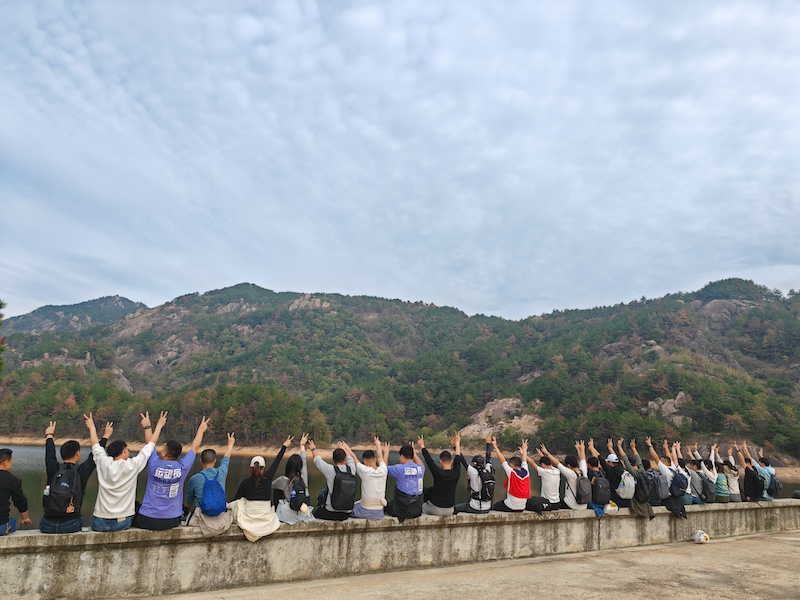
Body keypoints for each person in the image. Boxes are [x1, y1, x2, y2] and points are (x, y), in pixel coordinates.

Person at [87, 410, 166, 532]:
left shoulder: (103, 462)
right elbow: (150, 444)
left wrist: (92, 427)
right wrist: (157, 425)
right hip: (122, 521)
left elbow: (95, 445)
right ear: (124, 450)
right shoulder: (132, 465)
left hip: (99, 521)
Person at [135, 415, 209, 530]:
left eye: (163, 449)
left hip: (148, 519)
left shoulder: (154, 463)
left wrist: (148, 427)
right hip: (172, 520)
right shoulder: (182, 467)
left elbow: (150, 444)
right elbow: (194, 447)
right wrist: (201, 430)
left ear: (164, 454)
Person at [40, 419, 112, 534]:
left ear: (62, 454)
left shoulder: (53, 468)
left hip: (48, 524)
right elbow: (95, 455)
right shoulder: (81, 471)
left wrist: (49, 435)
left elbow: (50, 454)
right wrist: (105, 436)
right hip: (71, 523)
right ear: (78, 454)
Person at [230, 435, 292, 541]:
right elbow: (276, 462)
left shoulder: (245, 483)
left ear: (251, 469)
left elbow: (236, 499)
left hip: (249, 519)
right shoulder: (268, 479)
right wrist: (284, 446)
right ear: (264, 468)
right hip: (266, 519)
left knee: (239, 502)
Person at [185, 431, 236, 536]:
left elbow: (189, 500)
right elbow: (226, 459)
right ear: (215, 461)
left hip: (203, 516)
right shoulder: (221, 472)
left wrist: (185, 510)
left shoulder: (195, 479)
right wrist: (230, 444)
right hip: (220, 515)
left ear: (201, 461)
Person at [340, 437, 388, 520]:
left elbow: (353, 457)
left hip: (366, 512)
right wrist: (378, 445)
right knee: (358, 503)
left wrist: (345, 448)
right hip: (380, 512)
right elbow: (380, 457)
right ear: (375, 459)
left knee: (349, 508)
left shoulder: (365, 471)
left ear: (365, 461)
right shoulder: (383, 470)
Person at [272, 432, 315, 524]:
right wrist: (302, 445)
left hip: (287, 515)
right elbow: (304, 462)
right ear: (300, 466)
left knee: (277, 490)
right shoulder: (303, 479)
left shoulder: (282, 480)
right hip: (304, 514)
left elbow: (269, 485)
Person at [312, 440, 357, 521]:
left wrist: (313, 448)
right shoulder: (352, 469)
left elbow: (317, 460)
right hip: (347, 513)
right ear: (345, 458)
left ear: (333, 459)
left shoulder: (330, 470)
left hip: (331, 512)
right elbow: (351, 458)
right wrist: (343, 448)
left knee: (315, 514)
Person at [420, 433, 462, 516]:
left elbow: (429, 460)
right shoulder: (456, 473)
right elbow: (458, 457)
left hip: (435, 508)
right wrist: (457, 443)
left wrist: (422, 446)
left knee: (423, 506)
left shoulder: (438, 473)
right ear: (451, 461)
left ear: (440, 462)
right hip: (450, 510)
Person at [539, 441, 588, 511]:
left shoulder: (570, 473)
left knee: (555, 503)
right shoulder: (583, 471)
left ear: (568, 465)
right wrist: (581, 449)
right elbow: (582, 459)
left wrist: (547, 453)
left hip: (572, 505)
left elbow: (557, 463)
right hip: (584, 505)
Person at [385, 442, 425, 522]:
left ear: (402, 456)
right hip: (417, 510)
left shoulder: (399, 469)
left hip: (403, 510)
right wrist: (414, 454)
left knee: (385, 505)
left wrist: (386, 453)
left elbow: (383, 469)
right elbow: (422, 464)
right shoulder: (420, 468)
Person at [455, 434, 495, 515]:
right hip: (487, 508)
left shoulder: (473, 471)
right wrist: (488, 444)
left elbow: (462, 459)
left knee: (454, 509)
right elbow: (488, 457)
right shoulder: (488, 470)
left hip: (475, 507)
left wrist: (456, 445)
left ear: (474, 463)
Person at [491, 438, 530, 513]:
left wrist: (495, 447)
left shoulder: (512, 472)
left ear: (511, 464)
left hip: (511, 506)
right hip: (522, 506)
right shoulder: (526, 473)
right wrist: (524, 449)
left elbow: (502, 460)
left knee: (495, 506)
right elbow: (524, 460)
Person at [0, 448, 31, 536]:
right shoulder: (12, 480)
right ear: (6, 462)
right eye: (11, 462)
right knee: (12, 521)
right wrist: (25, 518)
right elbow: (20, 501)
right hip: (1, 524)